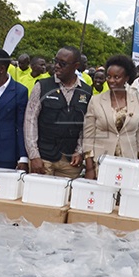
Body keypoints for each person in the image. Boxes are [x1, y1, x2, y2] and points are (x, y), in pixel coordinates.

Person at [24, 46, 91, 178]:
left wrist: (80, 151)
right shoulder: (42, 86)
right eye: (56, 61)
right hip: (43, 159)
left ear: (76, 66)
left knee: (66, 198)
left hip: (70, 162)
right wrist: (34, 155)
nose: (57, 66)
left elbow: (87, 125)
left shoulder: (87, 91)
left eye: (63, 63)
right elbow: (30, 121)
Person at [83, 55, 139, 179]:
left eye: (116, 77)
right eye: (109, 76)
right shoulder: (96, 101)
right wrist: (89, 167)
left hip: (129, 164)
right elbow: (88, 135)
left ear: (127, 78)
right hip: (101, 162)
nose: (111, 80)